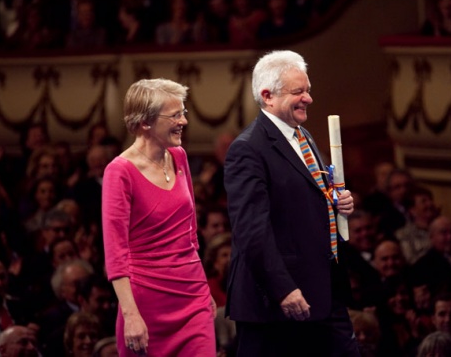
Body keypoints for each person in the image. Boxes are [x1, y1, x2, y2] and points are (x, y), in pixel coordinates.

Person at [223, 50, 359, 356]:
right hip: (277, 304)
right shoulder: (247, 150)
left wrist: (337, 201)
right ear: (267, 96)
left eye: (308, 90)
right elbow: (251, 231)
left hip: (321, 290)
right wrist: (282, 288)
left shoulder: (303, 135)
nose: (308, 99)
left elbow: (306, 198)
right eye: (298, 92)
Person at [102, 78, 215, 355]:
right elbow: (116, 253)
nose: (184, 121)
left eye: (183, 113)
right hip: (146, 302)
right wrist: (130, 315)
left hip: (193, 296)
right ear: (145, 122)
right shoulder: (119, 172)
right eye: (175, 115)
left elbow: (190, 234)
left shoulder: (179, 156)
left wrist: (205, 289)